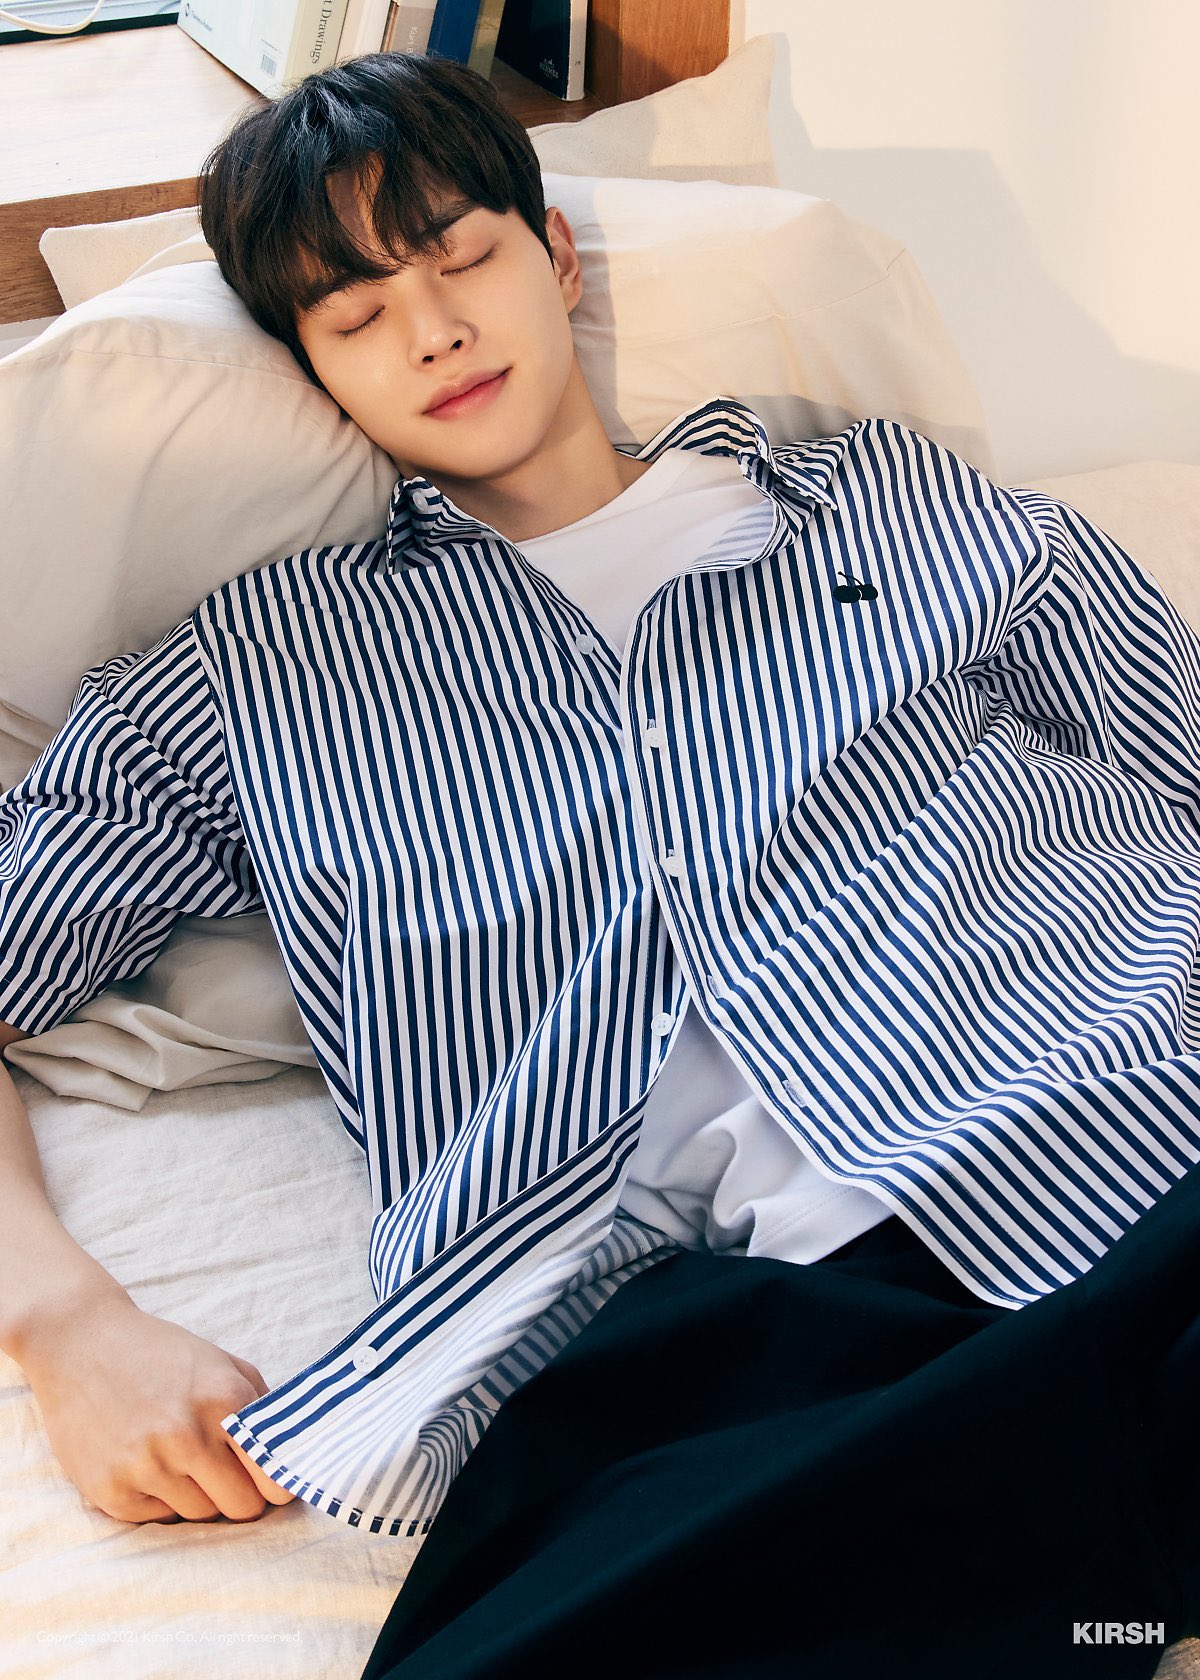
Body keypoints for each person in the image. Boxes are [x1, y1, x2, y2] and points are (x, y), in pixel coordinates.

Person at [1, 49, 1199, 1680]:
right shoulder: (247, 675)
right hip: (711, 1336)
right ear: (309, 371)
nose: (432, 331)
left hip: (1131, 1134)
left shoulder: (902, 507)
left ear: (555, 256)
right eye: (355, 314)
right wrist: (65, 1322)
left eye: (461, 258)